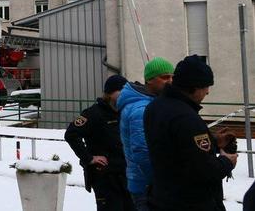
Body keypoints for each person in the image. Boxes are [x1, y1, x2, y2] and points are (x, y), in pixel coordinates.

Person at [143, 55, 237, 211]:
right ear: (194, 87)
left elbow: (177, 147)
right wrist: (227, 162)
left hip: (163, 197)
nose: (207, 92)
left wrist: (213, 141)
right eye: (206, 86)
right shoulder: (185, 117)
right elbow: (203, 170)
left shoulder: (155, 107)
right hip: (190, 202)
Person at [65, 75, 134, 211]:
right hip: (106, 178)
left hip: (127, 175)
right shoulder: (93, 114)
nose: (125, 94)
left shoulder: (125, 112)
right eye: (121, 91)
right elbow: (71, 134)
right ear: (109, 94)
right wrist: (89, 158)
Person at [117, 57, 174, 210]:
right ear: (149, 80)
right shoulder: (141, 109)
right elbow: (142, 151)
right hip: (146, 185)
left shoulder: (151, 103)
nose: (170, 81)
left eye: (172, 77)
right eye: (164, 77)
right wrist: (159, 181)